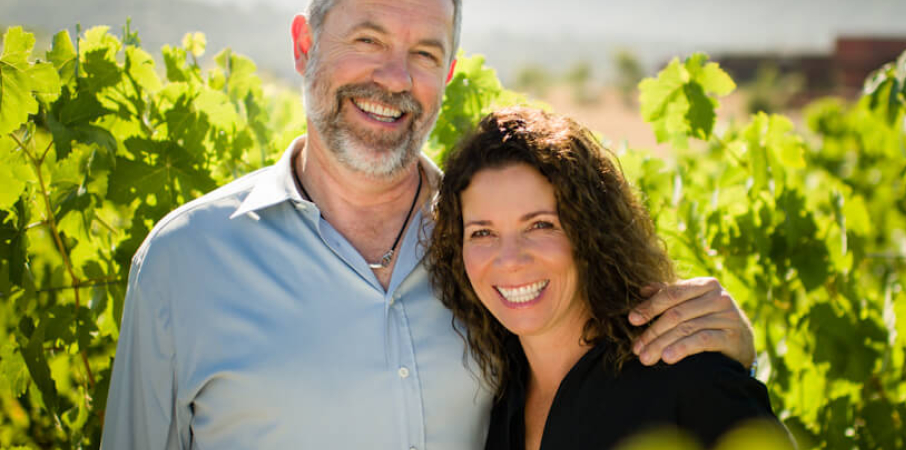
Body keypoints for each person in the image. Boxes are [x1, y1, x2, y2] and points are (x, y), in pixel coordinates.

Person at [101, 0, 759, 448]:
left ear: (446, 73)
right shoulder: (183, 264)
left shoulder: (492, 260)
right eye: (368, 40)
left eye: (423, 52)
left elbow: (609, 369)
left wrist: (723, 361)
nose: (393, 78)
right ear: (304, 46)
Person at [428, 107, 789, 450]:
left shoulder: (684, 374)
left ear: (590, 233)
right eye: (481, 233)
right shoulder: (496, 396)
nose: (509, 260)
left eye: (540, 225)